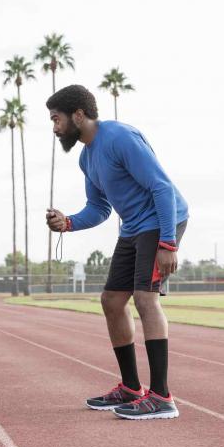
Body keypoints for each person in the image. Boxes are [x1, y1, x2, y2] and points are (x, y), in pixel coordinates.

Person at [45, 85, 188, 420]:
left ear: (78, 114)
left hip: (160, 220)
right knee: (111, 301)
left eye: (56, 119)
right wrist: (68, 223)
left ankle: (162, 397)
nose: (54, 127)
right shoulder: (87, 156)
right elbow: (99, 208)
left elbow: (161, 187)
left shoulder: (120, 137)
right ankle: (131, 387)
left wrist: (168, 243)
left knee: (145, 299)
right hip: (133, 228)